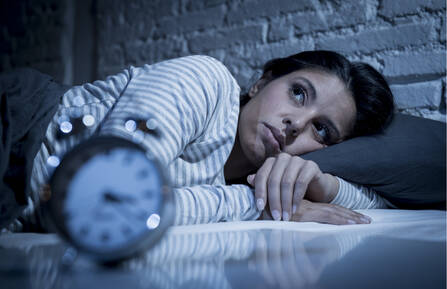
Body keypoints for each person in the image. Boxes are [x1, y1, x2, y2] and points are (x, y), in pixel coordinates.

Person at [3, 50, 394, 231]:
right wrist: (257, 205)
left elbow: (381, 199)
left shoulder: (258, 176)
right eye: (297, 93)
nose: (296, 124)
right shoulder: (207, 82)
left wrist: (321, 185)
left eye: (321, 130)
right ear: (263, 80)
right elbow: (96, 201)